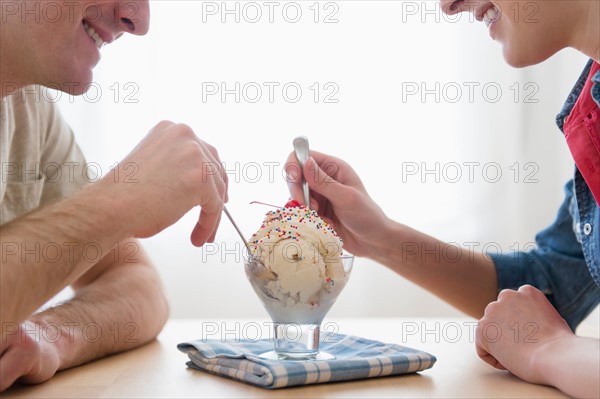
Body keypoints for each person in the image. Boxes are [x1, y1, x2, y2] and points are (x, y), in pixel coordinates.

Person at [287, 0, 599, 397]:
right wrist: (380, 238)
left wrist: (553, 351)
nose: (448, 5)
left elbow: (546, 334)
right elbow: (548, 291)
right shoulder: (592, 111)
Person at [0, 0, 227, 391]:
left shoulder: (28, 108)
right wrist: (119, 201)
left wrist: (52, 335)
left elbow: (137, 282)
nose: (138, 22)